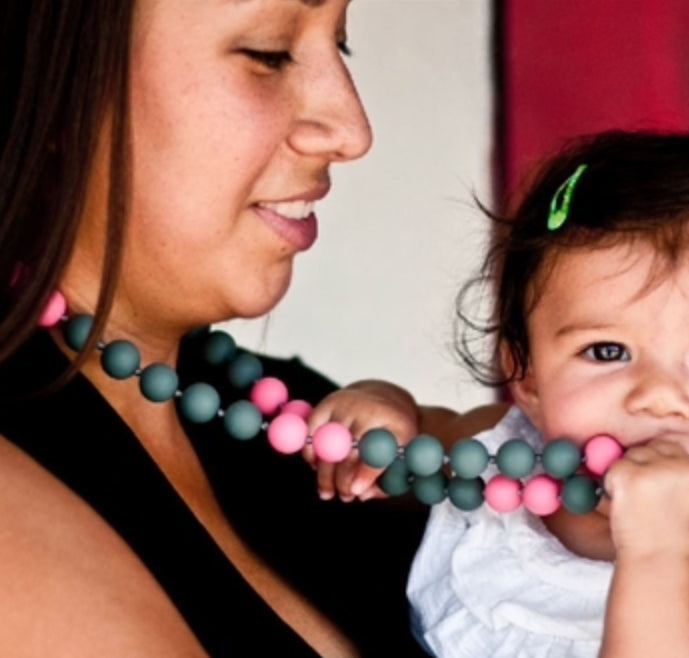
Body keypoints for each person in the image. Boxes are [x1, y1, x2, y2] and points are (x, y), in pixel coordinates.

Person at [310, 130, 689, 656]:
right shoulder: (501, 460)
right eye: (606, 351)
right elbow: (408, 451)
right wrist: (379, 408)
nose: (658, 395)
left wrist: (658, 554)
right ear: (527, 377)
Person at [0, 1, 458, 655]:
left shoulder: (305, 422)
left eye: (343, 46)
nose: (352, 131)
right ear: (56, 78)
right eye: (269, 53)